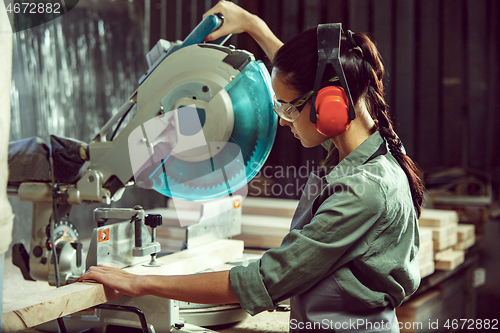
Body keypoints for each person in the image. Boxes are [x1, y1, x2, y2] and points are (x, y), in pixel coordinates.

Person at [78, 1, 423, 331]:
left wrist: (139, 283)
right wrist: (252, 25)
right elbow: (311, 76)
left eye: (287, 108)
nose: (284, 121)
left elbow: (267, 280)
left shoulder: (365, 191)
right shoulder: (372, 145)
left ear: (329, 107)